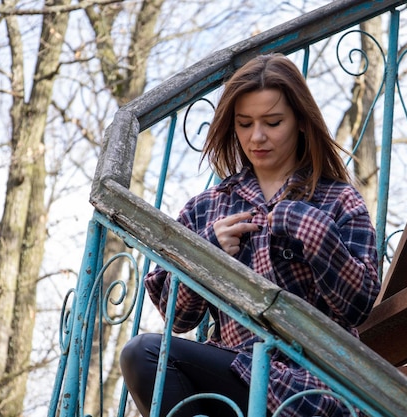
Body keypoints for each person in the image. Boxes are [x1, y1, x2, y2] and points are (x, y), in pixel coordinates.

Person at [120, 53, 380, 417]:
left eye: (273, 122)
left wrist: (315, 232)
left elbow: (359, 306)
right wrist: (206, 255)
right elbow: (177, 320)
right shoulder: (207, 208)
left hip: (315, 385)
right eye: (245, 124)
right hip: (236, 372)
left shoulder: (339, 199)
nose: (257, 137)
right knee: (144, 355)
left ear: (301, 123)